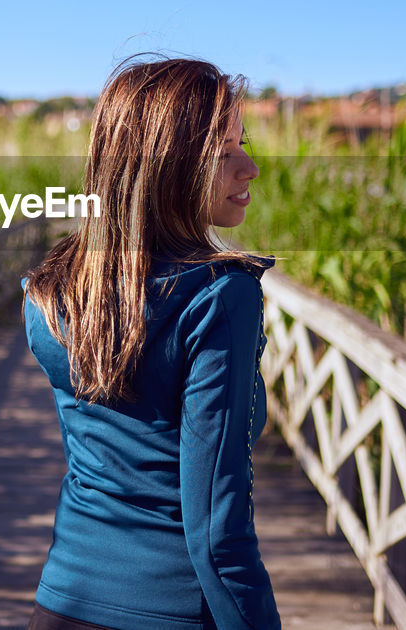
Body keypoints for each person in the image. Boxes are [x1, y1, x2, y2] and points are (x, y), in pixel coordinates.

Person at [21, 56, 281, 630]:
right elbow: (218, 528)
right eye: (225, 151)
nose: (251, 167)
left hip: (61, 604)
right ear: (169, 165)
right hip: (174, 611)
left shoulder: (50, 293)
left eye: (244, 143)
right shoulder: (221, 299)